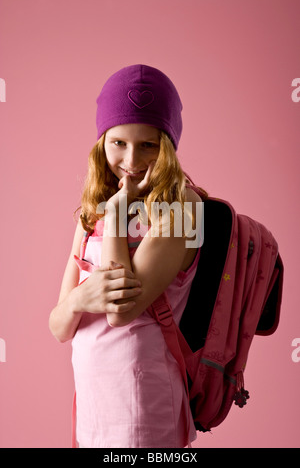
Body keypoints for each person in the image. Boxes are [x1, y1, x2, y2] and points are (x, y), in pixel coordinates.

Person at [49, 64, 207, 448]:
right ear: (101, 141)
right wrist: (79, 301)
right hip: (94, 401)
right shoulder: (92, 208)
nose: (132, 159)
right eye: (118, 142)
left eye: (148, 144)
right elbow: (59, 326)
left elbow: (121, 311)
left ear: (168, 146)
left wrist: (119, 214)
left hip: (142, 403)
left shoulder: (183, 206)